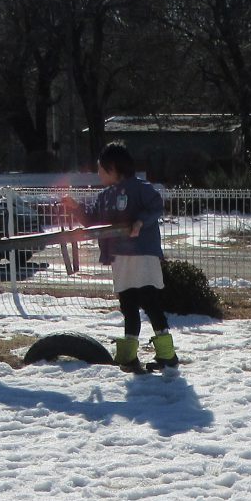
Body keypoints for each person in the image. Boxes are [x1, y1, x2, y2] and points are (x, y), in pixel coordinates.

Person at [87, 142, 178, 372]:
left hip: (143, 255)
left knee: (150, 301)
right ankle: (128, 356)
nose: (98, 174)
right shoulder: (105, 196)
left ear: (113, 167)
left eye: (101, 169)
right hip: (120, 258)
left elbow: (156, 206)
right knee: (127, 304)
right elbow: (91, 219)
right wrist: (73, 208)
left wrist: (140, 222)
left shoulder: (139, 188)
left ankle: (167, 355)